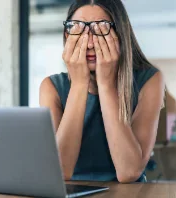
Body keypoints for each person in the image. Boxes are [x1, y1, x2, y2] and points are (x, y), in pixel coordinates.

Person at [39, 0, 165, 183]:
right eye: (78, 28)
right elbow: (59, 172)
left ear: (120, 34)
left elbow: (129, 172)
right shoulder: (51, 87)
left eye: (101, 28)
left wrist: (106, 84)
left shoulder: (150, 80)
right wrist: (79, 85)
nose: (89, 43)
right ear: (67, 34)